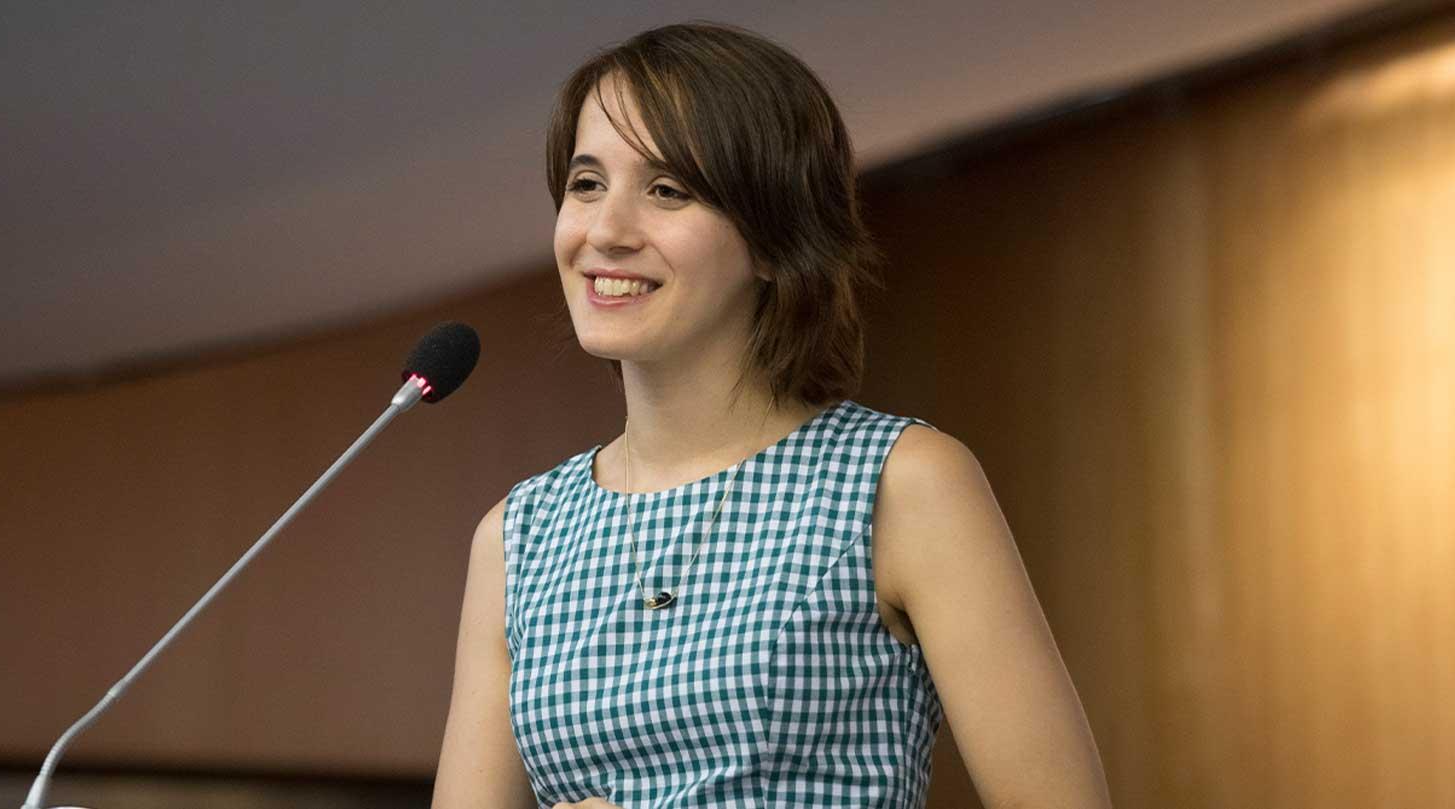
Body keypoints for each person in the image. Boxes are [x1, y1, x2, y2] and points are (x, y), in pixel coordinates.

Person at [432, 21, 1112, 809]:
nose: (605, 231)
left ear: (771, 236)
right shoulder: (520, 535)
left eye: (666, 190)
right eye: (586, 184)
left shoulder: (899, 482)